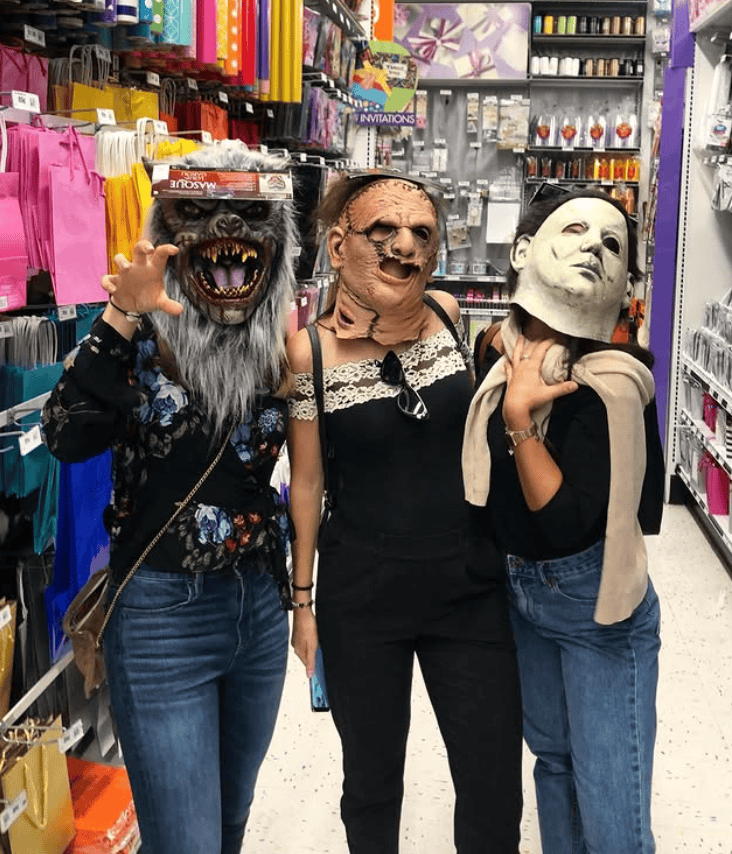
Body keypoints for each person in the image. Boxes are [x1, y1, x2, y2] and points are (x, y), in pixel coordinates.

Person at [42, 142, 297, 854]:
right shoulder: (140, 330)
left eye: (250, 214)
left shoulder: (284, 344)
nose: (227, 229)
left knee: (227, 826)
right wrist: (121, 316)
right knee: (186, 841)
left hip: (259, 612)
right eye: (200, 212)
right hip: (160, 619)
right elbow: (63, 436)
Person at [287, 171, 523, 854]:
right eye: (382, 230)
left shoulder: (448, 313)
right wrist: (303, 605)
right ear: (338, 245)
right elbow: (307, 483)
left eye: (422, 233)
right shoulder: (311, 356)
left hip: (469, 583)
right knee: (370, 786)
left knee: (492, 787)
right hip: (362, 592)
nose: (405, 245)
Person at [463, 189, 664, 854]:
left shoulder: (611, 381)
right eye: (575, 230)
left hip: (595, 603)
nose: (592, 248)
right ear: (522, 251)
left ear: (624, 281)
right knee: (553, 762)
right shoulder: (497, 350)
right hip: (525, 599)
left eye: (611, 245)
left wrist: (522, 424)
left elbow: (578, 519)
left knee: (612, 813)